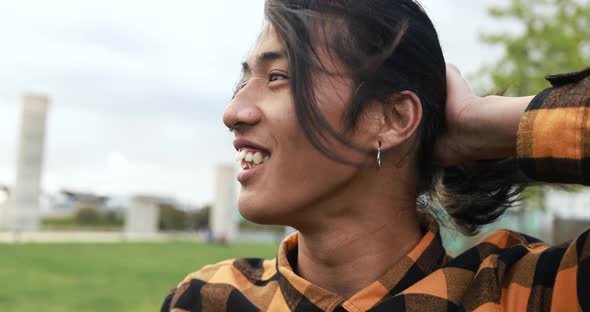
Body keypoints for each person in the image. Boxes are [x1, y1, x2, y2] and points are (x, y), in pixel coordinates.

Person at [161, 0, 590, 311]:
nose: (233, 113)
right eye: (244, 79)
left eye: (277, 76)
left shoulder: (532, 294)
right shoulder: (206, 300)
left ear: (393, 117)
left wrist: (490, 124)